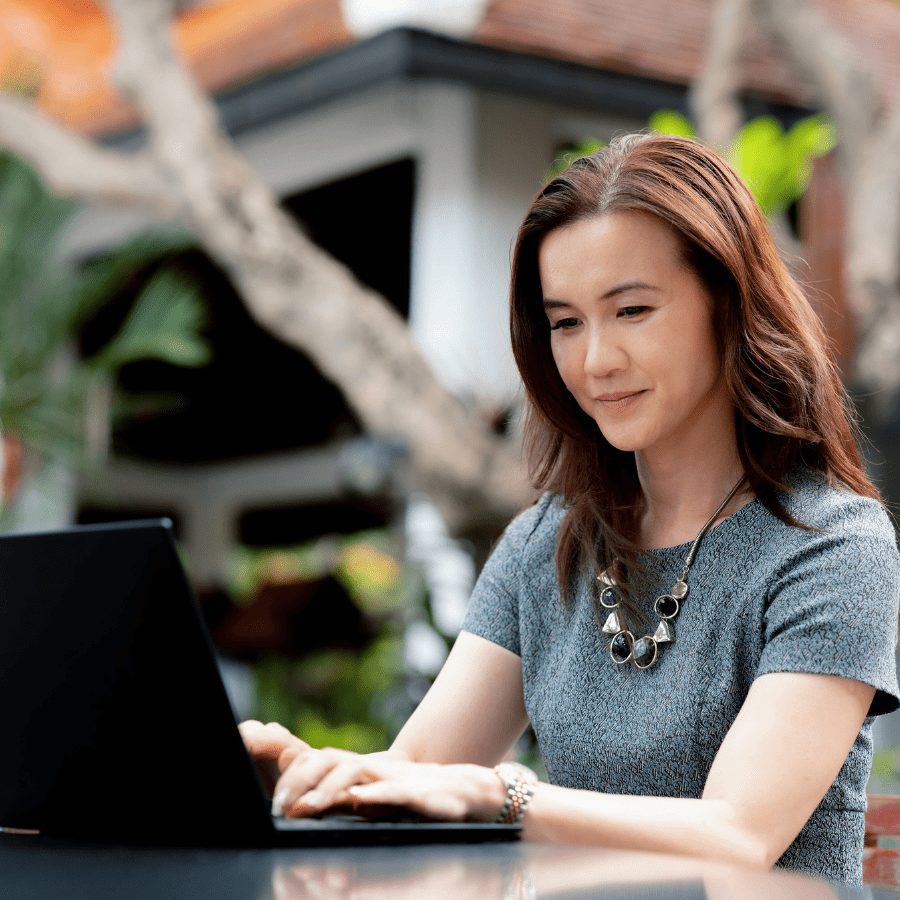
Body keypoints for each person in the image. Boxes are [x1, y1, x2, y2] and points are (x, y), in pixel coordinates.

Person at [240, 133, 899, 885]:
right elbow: (423, 767)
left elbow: (739, 834)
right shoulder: (546, 542)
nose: (596, 361)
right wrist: (323, 778)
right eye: (566, 323)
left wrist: (502, 794)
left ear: (731, 305)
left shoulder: (831, 546)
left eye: (632, 310)